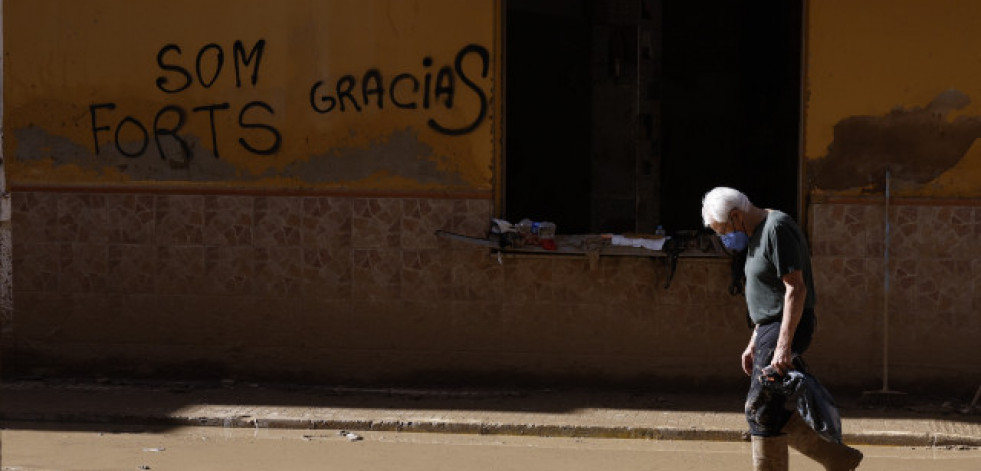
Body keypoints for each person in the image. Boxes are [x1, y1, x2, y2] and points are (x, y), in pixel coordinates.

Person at [701, 187, 863, 471]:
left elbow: (795, 289)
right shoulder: (754, 236)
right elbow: (769, 298)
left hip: (785, 328)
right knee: (769, 410)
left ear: (737, 216)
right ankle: (838, 459)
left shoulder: (777, 228)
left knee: (759, 408)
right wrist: (753, 343)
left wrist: (783, 346)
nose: (724, 238)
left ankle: (837, 458)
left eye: (723, 230)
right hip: (769, 329)